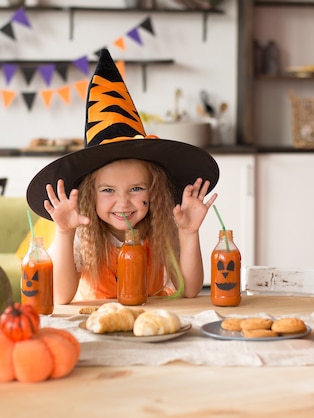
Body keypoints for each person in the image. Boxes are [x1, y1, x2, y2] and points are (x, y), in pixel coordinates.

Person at [26, 49, 220, 304]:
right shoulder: (83, 234)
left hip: (149, 324)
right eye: (108, 190)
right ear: (89, 195)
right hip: (96, 323)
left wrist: (189, 233)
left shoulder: (161, 228)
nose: (123, 202)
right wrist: (64, 233)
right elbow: (60, 297)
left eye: (136, 189)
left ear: (154, 190)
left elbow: (191, 290)